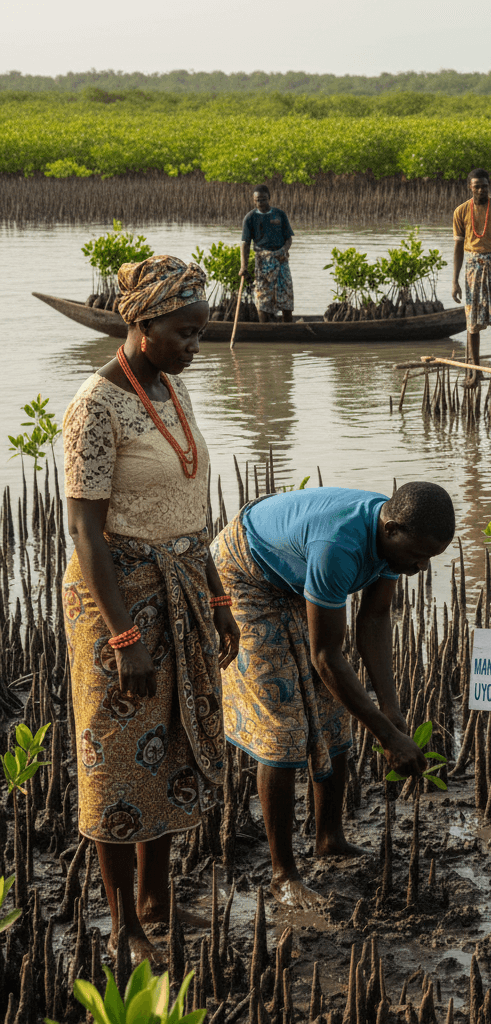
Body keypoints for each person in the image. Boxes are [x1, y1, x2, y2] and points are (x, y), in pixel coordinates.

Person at [62, 255, 240, 968]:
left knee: (168, 746)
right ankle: (122, 924)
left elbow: (191, 508)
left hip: (182, 586)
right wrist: (124, 637)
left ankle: (157, 900)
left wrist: (218, 597)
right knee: (114, 755)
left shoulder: (171, 389)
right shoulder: (93, 408)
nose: (195, 347)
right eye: (185, 332)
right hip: (118, 600)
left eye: (200, 333)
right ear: (141, 324)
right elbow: (84, 531)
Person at [212, 482, 455, 907]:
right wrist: (385, 737)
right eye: (417, 555)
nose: (420, 568)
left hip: (291, 575)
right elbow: (326, 658)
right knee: (283, 729)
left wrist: (391, 709)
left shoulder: (394, 541)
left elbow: (375, 621)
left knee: (334, 715)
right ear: (392, 528)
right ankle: (282, 874)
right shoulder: (338, 546)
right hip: (245, 575)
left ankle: (329, 838)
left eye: (429, 558)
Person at [451, 169, 491, 385]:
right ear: (470, 187)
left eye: (484, 186)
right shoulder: (460, 211)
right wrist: (454, 281)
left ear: (489, 186)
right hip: (472, 269)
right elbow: (458, 247)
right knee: (472, 323)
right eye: (477, 186)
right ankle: (475, 371)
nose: (481, 190)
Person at [240, 184, 295, 324]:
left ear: (269, 198)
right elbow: (245, 244)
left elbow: (288, 238)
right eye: (257, 200)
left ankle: (288, 327)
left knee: (286, 295)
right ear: (253, 200)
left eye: (263, 199)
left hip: (281, 259)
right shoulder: (250, 218)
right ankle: (264, 329)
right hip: (262, 262)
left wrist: (284, 250)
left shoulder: (279, 214)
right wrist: (243, 266)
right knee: (262, 297)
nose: (260, 203)